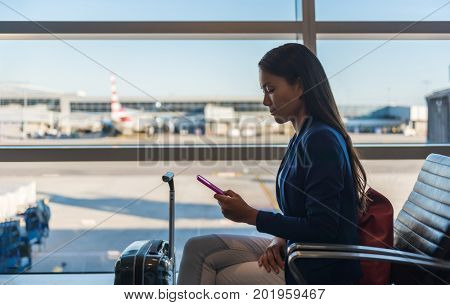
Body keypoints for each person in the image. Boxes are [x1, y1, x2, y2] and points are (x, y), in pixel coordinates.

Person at [177, 43, 369, 285]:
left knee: (215, 274)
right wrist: (278, 237)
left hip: (317, 269)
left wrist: (251, 216)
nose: (265, 101)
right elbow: (301, 213)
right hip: (296, 250)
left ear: (299, 85)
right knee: (198, 248)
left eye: (270, 89)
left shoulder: (321, 140)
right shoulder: (302, 137)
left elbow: (323, 228)